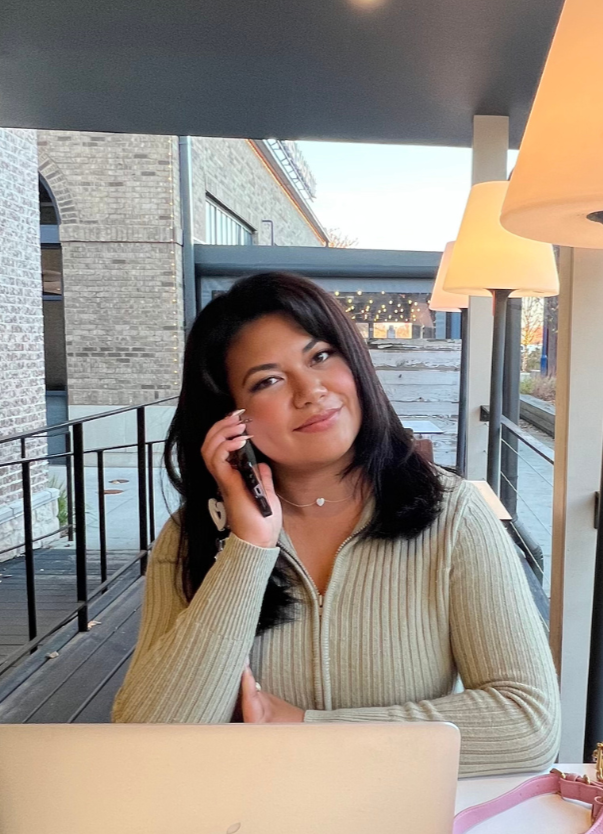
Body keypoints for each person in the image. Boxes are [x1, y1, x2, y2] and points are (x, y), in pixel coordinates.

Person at [111, 272, 561, 777]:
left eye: (321, 356)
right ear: (230, 418)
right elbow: (146, 741)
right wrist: (249, 547)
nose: (311, 391)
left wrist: (308, 729)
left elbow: (528, 724)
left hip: (404, 831)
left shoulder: (452, 515)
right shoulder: (191, 536)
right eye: (268, 381)